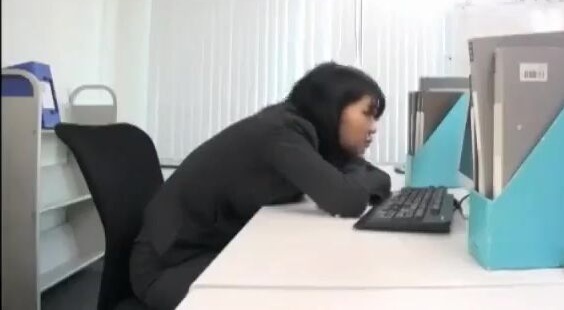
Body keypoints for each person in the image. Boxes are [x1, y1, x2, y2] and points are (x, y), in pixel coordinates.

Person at [129, 62, 391, 310]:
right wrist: (355, 177)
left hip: (211, 251)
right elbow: (346, 199)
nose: (374, 128)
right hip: (167, 268)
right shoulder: (280, 133)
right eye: (367, 114)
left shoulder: (306, 137)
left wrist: (355, 174)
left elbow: (375, 178)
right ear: (332, 107)